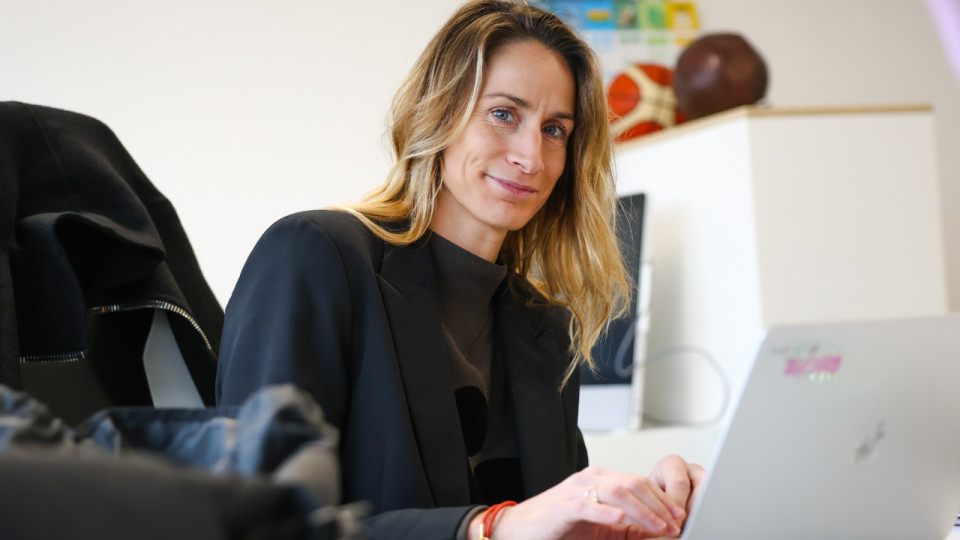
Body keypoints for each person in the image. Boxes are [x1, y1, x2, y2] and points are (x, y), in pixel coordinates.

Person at [216, 1, 705, 538]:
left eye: (555, 129)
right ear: (440, 114)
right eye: (503, 114)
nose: (532, 157)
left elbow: (549, 524)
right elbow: (259, 524)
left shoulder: (545, 327)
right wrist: (489, 527)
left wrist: (629, 515)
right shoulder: (316, 255)